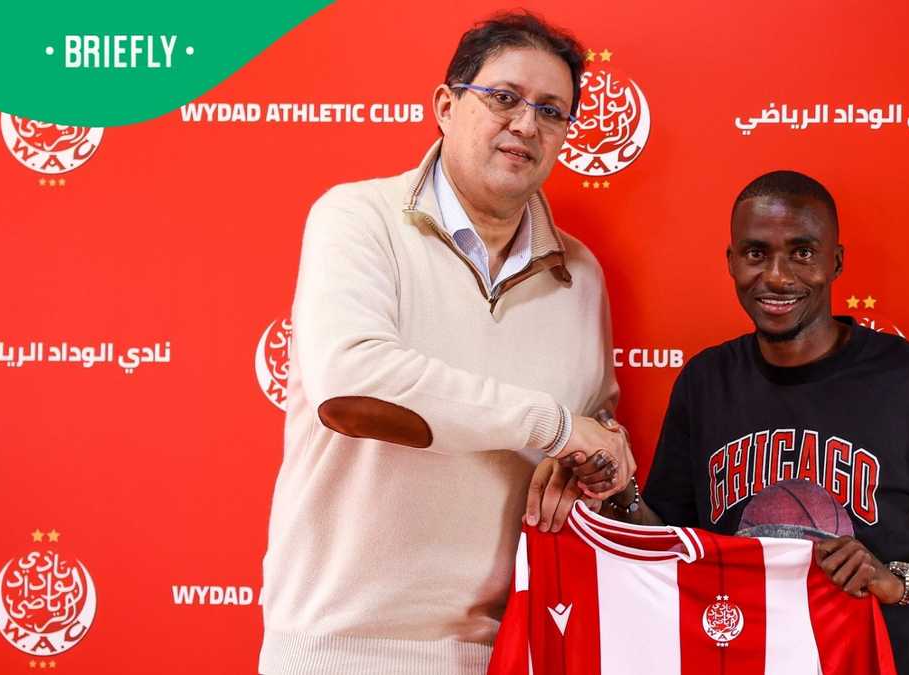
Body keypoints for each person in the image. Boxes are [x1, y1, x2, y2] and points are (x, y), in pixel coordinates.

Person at [259, 12, 633, 675]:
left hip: (515, 645)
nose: (526, 125)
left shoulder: (580, 274)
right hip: (339, 645)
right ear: (445, 106)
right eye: (505, 97)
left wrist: (597, 455)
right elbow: (352, 382)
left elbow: (592, 419)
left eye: (551, 111)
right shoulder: (357, 219)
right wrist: (554, 426)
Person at [584, 171, 909, 675]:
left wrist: (899, 579)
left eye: (802, 253)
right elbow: (671, 541)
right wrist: (620, 493)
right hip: (744, 659)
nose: (777, 276)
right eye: (756, 253)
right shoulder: (706, 381)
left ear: (834, 261)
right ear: (731, 261)